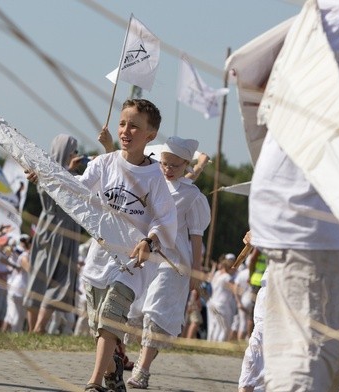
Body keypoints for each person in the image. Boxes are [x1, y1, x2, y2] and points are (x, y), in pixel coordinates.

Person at [248, 1, 339, 390]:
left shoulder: (338, 20)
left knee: (324, 359)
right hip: (302, 220)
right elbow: (267, 83)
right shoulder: (334, 18)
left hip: (306, 220)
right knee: (310, 362)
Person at [27, 99, 177, 392]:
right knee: (99, 329)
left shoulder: (155, 177)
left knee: (110, 318)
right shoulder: (103, 163)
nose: (126, 130)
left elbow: (165, 219)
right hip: (100, 257)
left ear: (150, 135)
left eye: (134, 126)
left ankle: (94, 383)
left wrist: (149, 240)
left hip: (133, 263)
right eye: (123, 123)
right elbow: (78, 189)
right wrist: (46, 178)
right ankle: (113, 370)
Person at [124, 136, 211, 389]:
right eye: (164, 163)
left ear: (186, 165)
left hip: (174, 262)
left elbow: (196, 235)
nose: (168, 169)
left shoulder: (192, 195)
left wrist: (196, 270)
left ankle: (143, 369)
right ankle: (132, 356)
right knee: (136, 310)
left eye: (174, 165)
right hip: (147, 257)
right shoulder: (152, 183)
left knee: (155, 311)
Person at [24, 134, 83, 334]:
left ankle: (39, 328)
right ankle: (35, 328)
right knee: (39, 277)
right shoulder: (48, 173)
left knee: (58, 279)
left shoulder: (71, 175)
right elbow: (55, 188)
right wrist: (69, 171)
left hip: (61, 228)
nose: (75, 155)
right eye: (73, 151)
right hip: (53, 226)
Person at [3, 234, 31, 333]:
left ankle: (15, 336)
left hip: (23, 289)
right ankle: (12, 337)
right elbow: (30, 270)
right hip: (16, 289)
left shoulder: (28, 254)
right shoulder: (24, 255)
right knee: (15, 316)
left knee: (21, 316)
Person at [206, 254, 237, 342]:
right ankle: (219, 344)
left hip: (213, 302)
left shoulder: (217, 274)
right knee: (224, 328)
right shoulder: (227, 277)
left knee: (214, 325)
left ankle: (210, 343)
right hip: (222, 305)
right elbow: (235, 289)